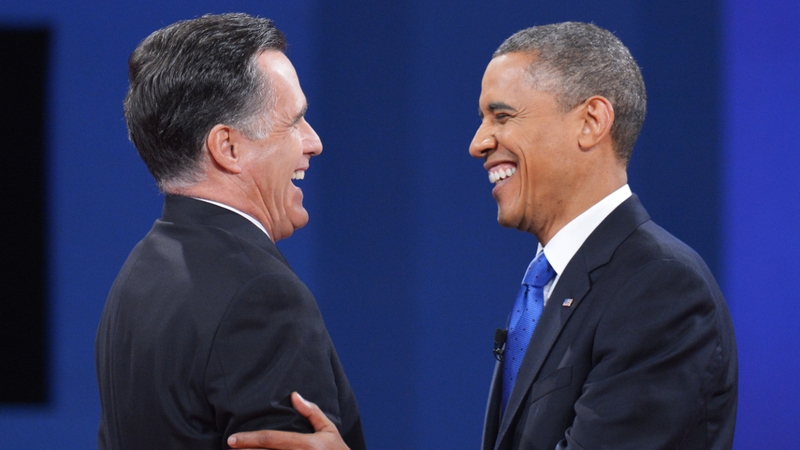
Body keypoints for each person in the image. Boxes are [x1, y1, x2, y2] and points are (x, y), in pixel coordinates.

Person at [226, 21, 738, 450]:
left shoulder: (660, 288)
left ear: (592, 121)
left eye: (502, 116)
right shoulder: (557, 283)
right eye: (481, 119)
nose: (478, 143)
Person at [95, 13, 365, 450]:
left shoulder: (140, 274)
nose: (313, 142)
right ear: (229, 147)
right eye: (294, 121)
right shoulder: (261, 295)